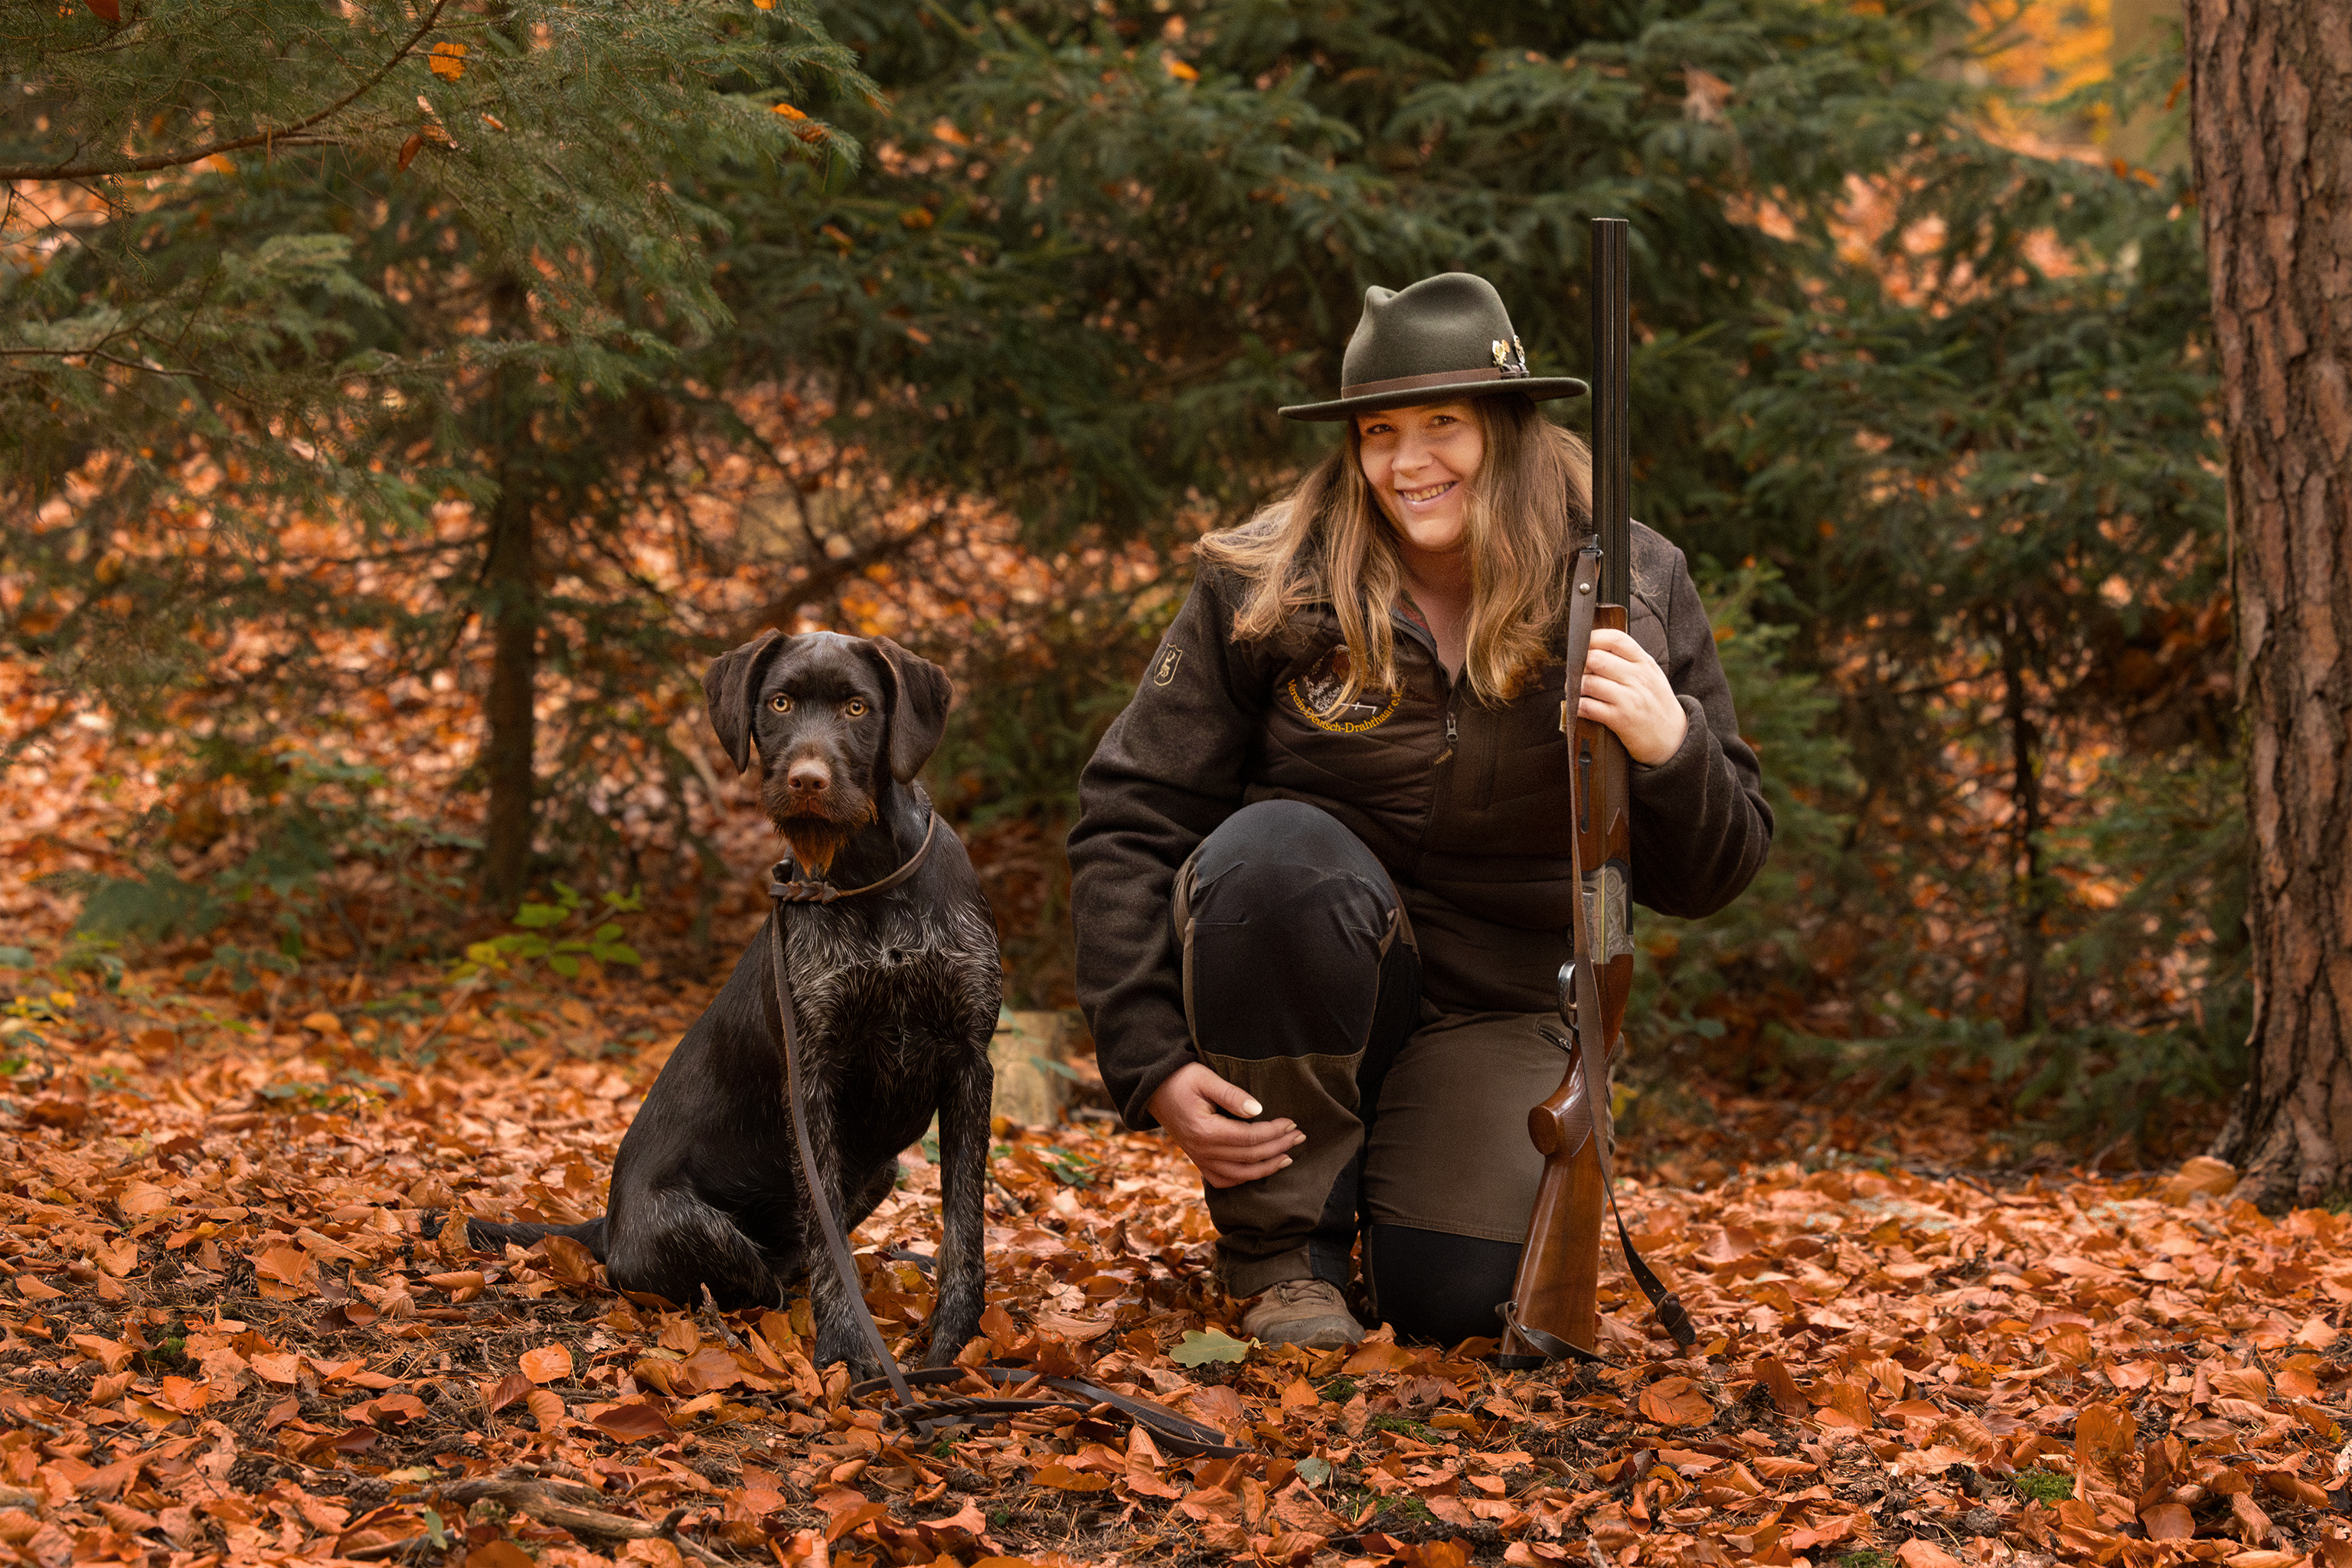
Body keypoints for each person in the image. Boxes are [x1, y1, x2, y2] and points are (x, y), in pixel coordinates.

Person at [1067, 272, 1772, 1349]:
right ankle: (1283, 1257)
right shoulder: (1268, 579)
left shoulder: (1631, 576)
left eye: (1443, 423)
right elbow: (1132, 810)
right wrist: (1149, 1057)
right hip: (1312, 954)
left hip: (1500, 1005)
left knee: (1457, 1306)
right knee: (1275, 859)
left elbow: (1713, 876)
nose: (1407, 463)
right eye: (1378, 430)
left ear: (1511, 427)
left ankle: (1407, 1176)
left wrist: (1669, 745)